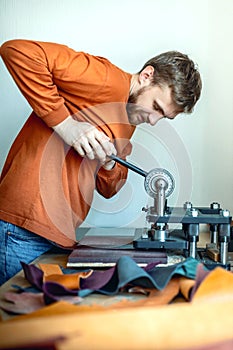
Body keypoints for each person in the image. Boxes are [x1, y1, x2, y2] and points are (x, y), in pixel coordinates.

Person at [0, 39, 202, 285]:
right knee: (13, 320)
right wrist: (67, 126)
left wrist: (108, 164)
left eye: (164, 117)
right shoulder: (104, 78)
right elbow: (17, 51)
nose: (153, 121)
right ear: (147, 76)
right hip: (23, 228)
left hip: (57, 235)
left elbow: (109, 189)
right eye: (156, 107)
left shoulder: (130, 118)